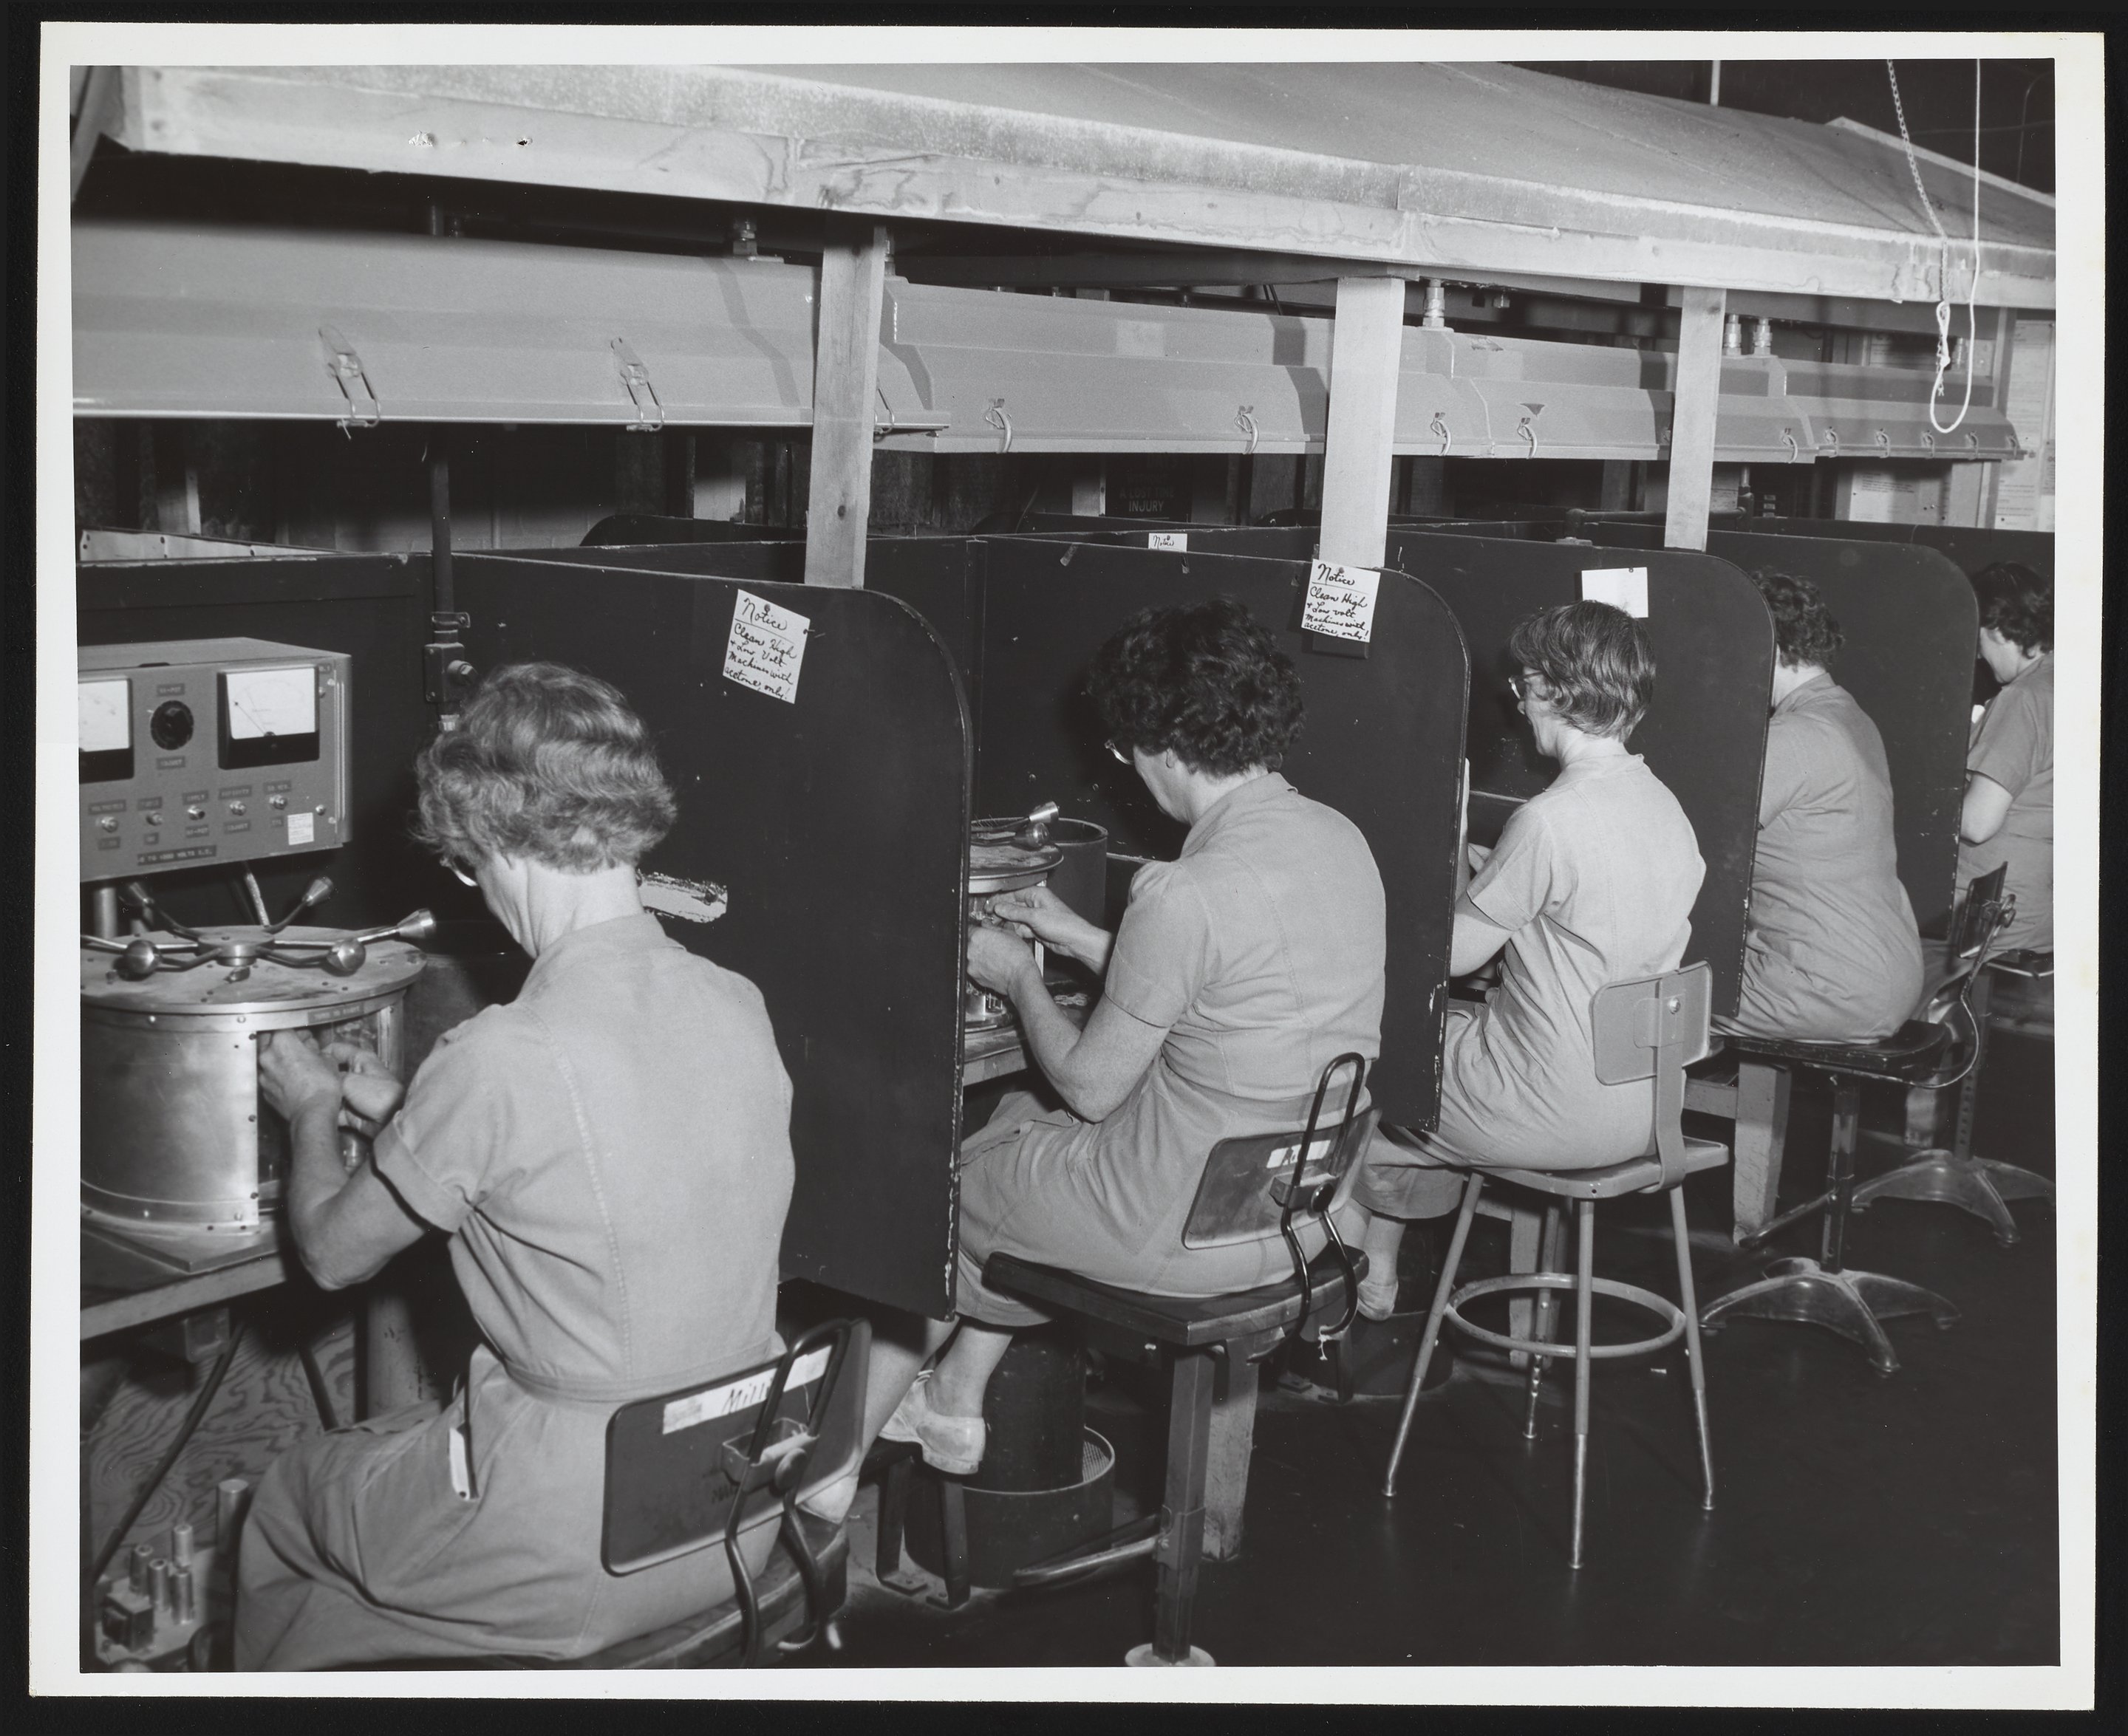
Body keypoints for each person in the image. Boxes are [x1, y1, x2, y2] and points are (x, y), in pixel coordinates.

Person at [239, 663, 797, 1669]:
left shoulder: (500, 1055)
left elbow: (328, 1255)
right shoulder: (736, 999)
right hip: (739, 1505)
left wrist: (314, 1107)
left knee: (289, 1495)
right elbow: (598, 1150)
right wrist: (410, 1112)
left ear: (495, 843)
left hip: (577, 1541)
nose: (476, 887)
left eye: (465, 865)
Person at [862, 596, 1386, 1474]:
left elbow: (1091, 1087)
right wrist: (1073, 935)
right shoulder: (1339, 839)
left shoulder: (1184, 892)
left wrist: (1017, 974)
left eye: (1124, 750)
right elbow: (1225, 985)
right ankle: (953, 1400)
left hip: (1185, 1235)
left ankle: (831, 1478)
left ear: (1166, 747)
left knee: (941, 1189)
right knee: (1020, 1121)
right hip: (1305, 1209)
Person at [1351, 601, 1705, 1321]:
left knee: (1359, 1055)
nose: (1520, 704)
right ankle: (1379, 1265)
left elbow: (1450, 958)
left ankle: (1345, 1272)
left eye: (1525, 686)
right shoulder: (1666, 806)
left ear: (1556, 689)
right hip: (1648, 1107)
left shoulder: (1548, 819)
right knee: (1443, 1045)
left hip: (1552, 1111)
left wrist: (1448, 839)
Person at [1720, 571, 1923, 1042]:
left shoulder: (1792, 737)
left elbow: (1694, 844)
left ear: (1767, 647)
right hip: (1887, 976)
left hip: (1824, 989)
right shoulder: (1850, 716)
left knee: (1648, 997)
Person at [1956, 562, 2053, 957]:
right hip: (2043, 900)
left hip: (1995, 908)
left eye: (1978, 640)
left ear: (1996, 629)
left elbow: (1976, 824)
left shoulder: (2023, 698)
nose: (1979, 656)